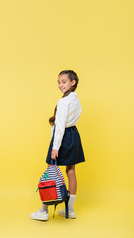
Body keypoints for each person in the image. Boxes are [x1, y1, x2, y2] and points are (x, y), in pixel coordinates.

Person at [30, 70, 85, 221]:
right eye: (59, 82)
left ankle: (44, 210)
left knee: (50, 170)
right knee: (71, 171)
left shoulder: (63, 102)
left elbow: (60, 125)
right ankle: (70, 210)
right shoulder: (75, 99)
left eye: (64, 82)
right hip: (73, 134)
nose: (60, 85)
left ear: (73, 82)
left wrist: (55, 147)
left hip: (63, 137)